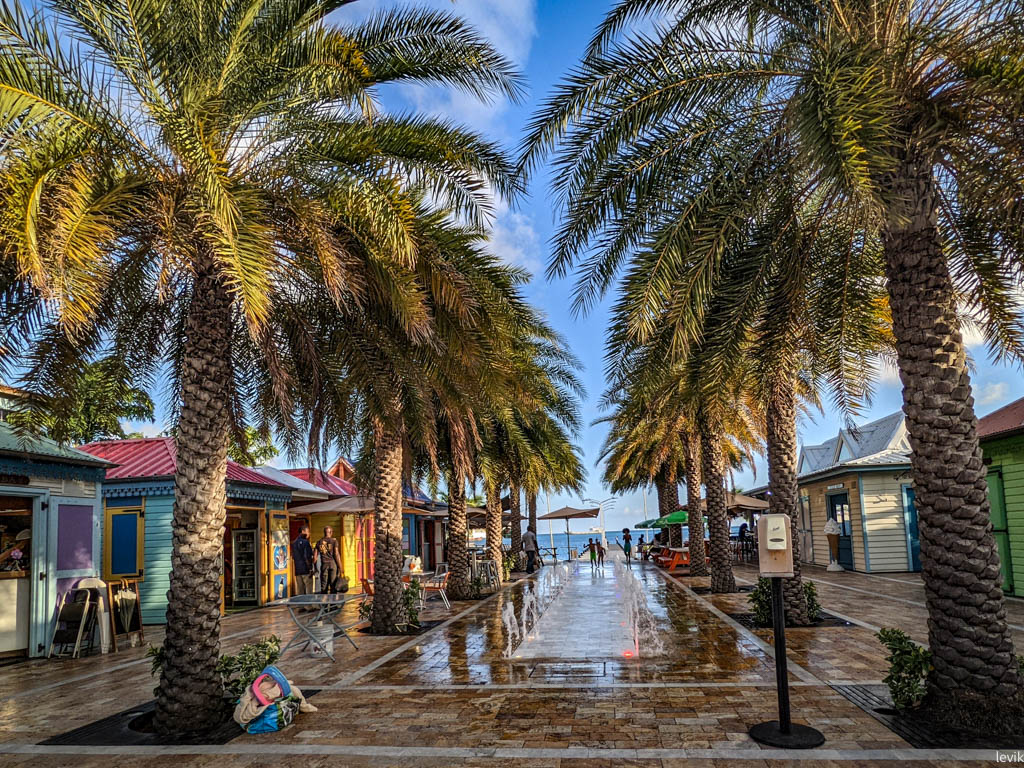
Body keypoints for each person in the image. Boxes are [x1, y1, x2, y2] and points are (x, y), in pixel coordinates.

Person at [315, 526, 343, 594]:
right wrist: (340, 567)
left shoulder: (319, 542)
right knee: (333, 585)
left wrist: (315, 568)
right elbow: (336, 554)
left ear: (324, 533)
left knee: (324, 586)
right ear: (331, 532)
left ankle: (324, 600)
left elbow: (315, 557)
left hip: (324, 565)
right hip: (333, 564)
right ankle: (333, 600)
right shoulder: (334, 541)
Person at [291, 524, 316, 596]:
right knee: (309, 590)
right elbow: (307, 556)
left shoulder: (294, 543)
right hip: (306, 569)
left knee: (300, 590)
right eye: (308, 531)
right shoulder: (306, 542)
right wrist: (310, 569)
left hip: (298, 570)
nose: (309, 533)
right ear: (303, 531)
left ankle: (300, 603)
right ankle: (309, 603)